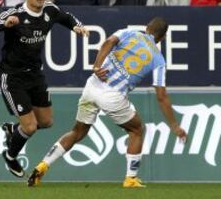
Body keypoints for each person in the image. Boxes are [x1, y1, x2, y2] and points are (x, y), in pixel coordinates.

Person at [27, 17, 188, 188]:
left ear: (147, 27)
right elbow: (161, 96)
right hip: (113, 95)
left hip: (92, 86)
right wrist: (174, 125)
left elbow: (108, 42)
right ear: (162, 38)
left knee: (77, 132)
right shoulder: (159, 60)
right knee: (137, 130)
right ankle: (131, 178)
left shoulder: (129, 32)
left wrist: (96, 67)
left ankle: (42, 166)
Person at [0, 0, 89, 178]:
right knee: (30, 127)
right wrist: (5, 25)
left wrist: (77, 27)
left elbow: (67, 17)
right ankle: (10, 156)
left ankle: (14, 130)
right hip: (12, 77)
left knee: (46, 122)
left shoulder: (49, 10)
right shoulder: (14, 13)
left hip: (35, 75)